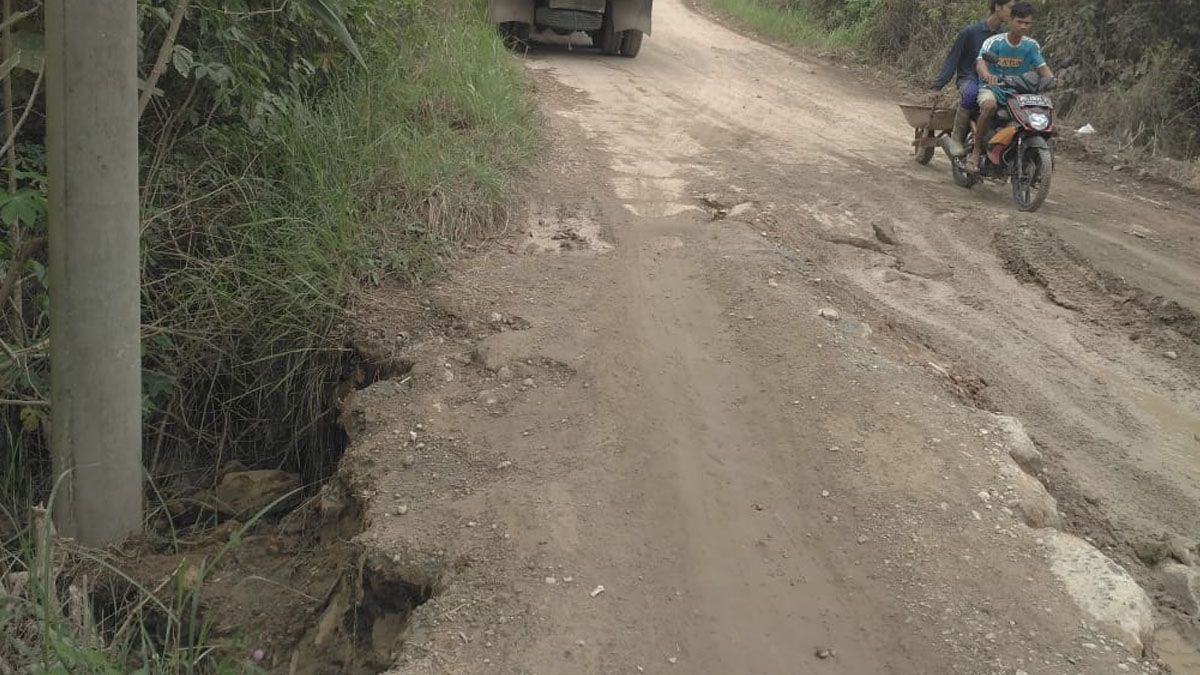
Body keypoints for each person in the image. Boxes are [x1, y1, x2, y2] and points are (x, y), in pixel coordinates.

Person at [968, 1, 1053, 172]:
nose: (1023, 26)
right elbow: (981, 62)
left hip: (1019, 93)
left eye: (1027, 23)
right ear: (1010, 20)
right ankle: (976, 152)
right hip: (993, 89)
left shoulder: (1031, 46)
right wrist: (987, 76)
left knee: (1044, 108)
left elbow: (1043, 69)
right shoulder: (995, 42)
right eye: (1019, 22)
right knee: (989, 105)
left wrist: (1051, 79)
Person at [930, 0, 1014, 147]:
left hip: (993, 82)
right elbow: (952, 60)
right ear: (997, 7)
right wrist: (938, 86)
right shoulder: (970, 32)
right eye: (1010, 8)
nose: (1013, 13)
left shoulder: (1003, 37)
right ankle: (956, 139)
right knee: (970, 93)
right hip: (969, 78)